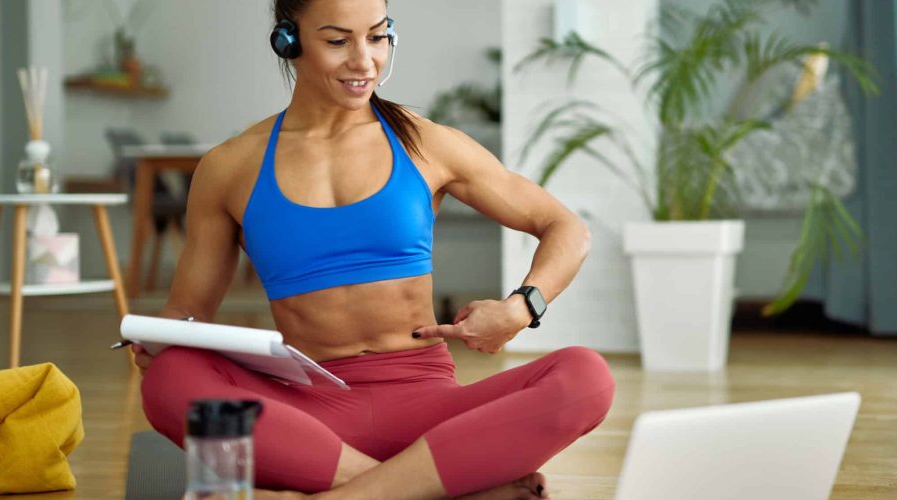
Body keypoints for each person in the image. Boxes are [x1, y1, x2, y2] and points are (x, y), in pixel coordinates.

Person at [133, 0, 615, 498]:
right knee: (172, 377)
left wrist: (520, 308)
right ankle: (421, 487)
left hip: (429, 411)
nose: (365, 61)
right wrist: (160, 342)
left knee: (587, 377)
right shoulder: (231, 166)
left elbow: (565, 227)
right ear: (289, 41)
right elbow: (189, 311)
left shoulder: (425, 143)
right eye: (338, 41)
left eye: (379, 36)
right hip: (309, 419)